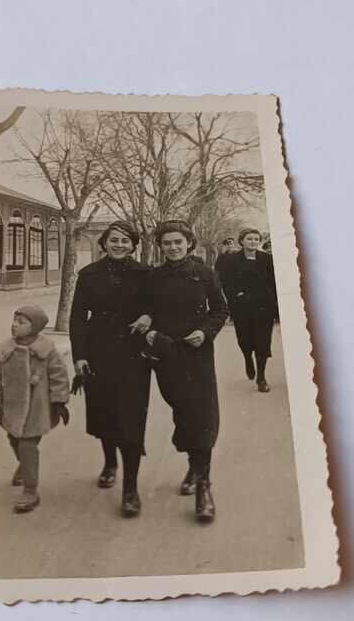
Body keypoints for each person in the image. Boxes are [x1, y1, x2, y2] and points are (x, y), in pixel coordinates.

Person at [144, 220, 228, 523]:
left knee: (202, 413)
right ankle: (194, 463)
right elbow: (144, 310)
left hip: (197, 353)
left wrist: (206, 332)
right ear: (160, 246)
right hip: (166, 352)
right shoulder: (153, 276)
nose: (173, 247)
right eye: (167, 243)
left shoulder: (204, 273)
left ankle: (204, 486)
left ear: (188, 243)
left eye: (178, 242)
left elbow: (220, 310)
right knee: (182, 409)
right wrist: (149, 332)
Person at [69, 221, 152, 517]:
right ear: (104, 243)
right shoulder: (89, 275)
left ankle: (130, 489)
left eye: (125, 241)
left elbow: (160, 305)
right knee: (104, 413)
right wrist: (79, 356)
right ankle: (110, 463)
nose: (119, 244)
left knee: (131, 419)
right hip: (98, 351)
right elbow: (78, 317)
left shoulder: (146, 274)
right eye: (114, 240)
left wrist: (148, 315)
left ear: (133, 244)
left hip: (133, 354)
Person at [0, 304, 70, 512]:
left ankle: (30, 490)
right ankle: (24, 466)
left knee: (27, 446)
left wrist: (59, 403)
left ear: (36, 327)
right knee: (14, 439)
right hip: (12, 407)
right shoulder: (5, 349)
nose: (14, 325)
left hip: (37, 408)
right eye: (14, 320)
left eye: (21, 322)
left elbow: (59, 376)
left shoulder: (46, 350)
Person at [217, 227, 278, 392]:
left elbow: (274, 282)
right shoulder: (232, 260)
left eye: (256, 239)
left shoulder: (267, 259)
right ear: (242, 241)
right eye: (249, 239)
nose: (253, 242)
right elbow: (225, 281)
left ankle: (261, 377)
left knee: (263, 341)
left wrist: (275, 305)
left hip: (264, 306)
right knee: (245, 339)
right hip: (242, 306)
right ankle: (247, 358)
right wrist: (235, 296)